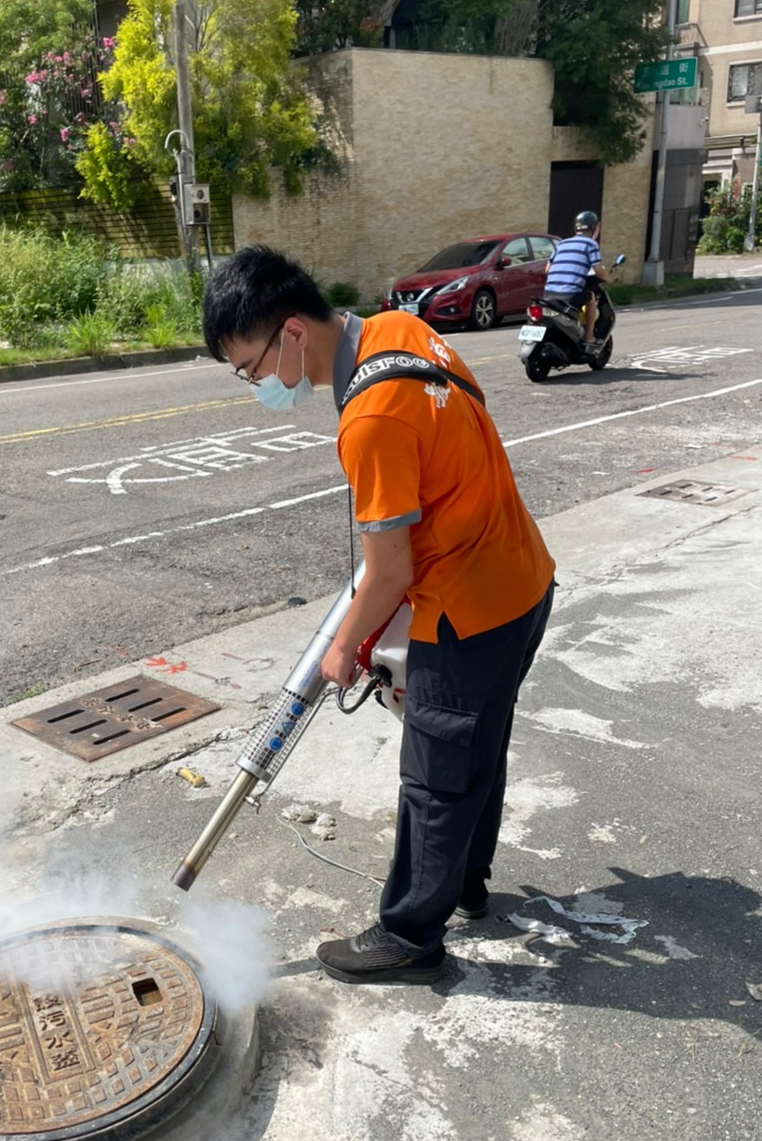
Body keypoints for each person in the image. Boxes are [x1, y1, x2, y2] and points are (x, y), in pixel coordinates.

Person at [202, 245, 555, 986]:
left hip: (468, 607)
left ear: (291, 332)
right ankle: (466, 884)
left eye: (251, 368)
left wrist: (343, 648)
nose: (258, 384)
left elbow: (389, 569)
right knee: (478, 749)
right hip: (522, 577)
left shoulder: (370, 418)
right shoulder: (400, 329)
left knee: (434, 779)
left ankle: (409, 937)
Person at [544, 211, 613, 350]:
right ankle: (589, 336)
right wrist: (609, 279)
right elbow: (598, 270)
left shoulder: (561, 244)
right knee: (591, 297)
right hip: (570, 294)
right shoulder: (591, 244)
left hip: (548, 294)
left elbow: (547, 270)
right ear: (595, 227)